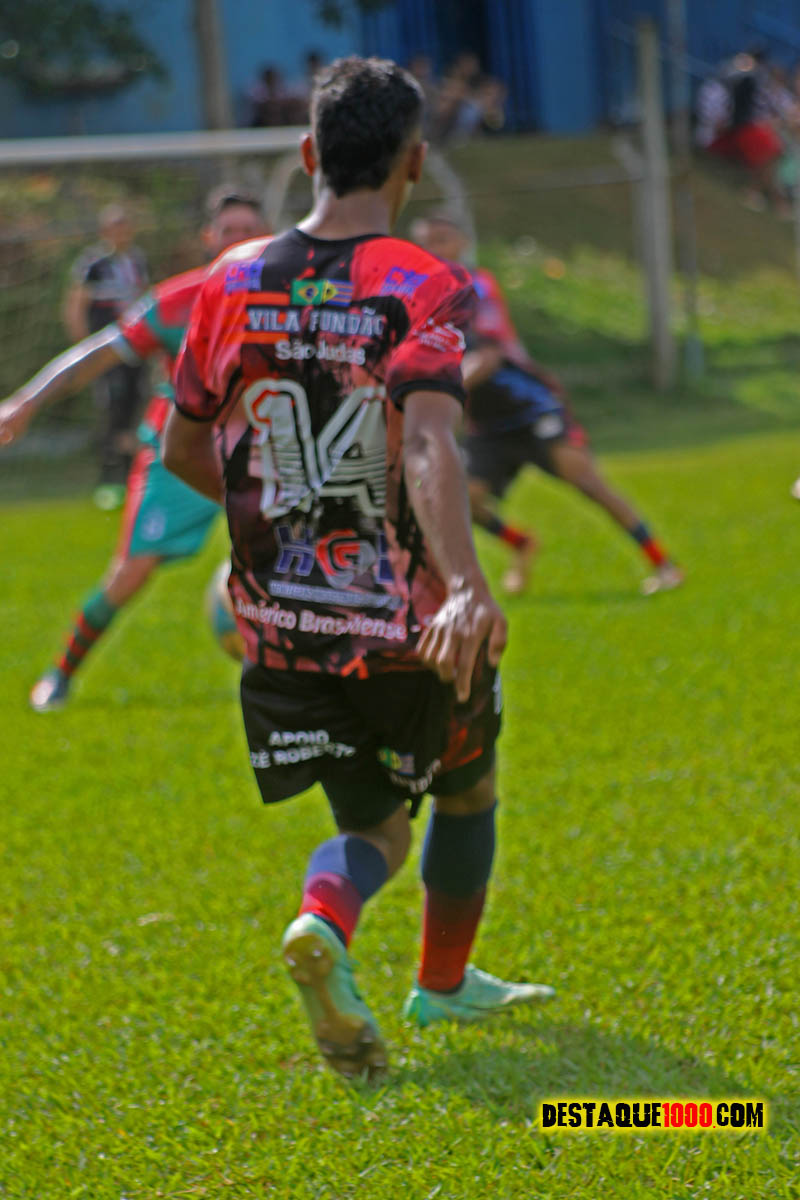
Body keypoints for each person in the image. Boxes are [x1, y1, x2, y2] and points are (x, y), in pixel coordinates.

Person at [165, 56, 553, 1082]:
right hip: (405, 623)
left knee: (372, 826)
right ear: (413, 163)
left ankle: (322, 922)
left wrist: (274, 525)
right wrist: (464, 585)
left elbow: (183, 448)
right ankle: (441, 982)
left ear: (307, 154)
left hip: (279, 623)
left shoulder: (230, 280)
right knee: (465, 791)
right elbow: (427, 442)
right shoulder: (419, 282)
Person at [0, 188, 267, 712]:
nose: (238, 241)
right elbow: (98, 352)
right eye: (228, 231)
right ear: (209, 238)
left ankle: (318, 676)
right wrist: (26, 402)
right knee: (131, 572)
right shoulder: (178, 301)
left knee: (304, 563)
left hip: (267, 453)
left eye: (249, 231)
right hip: (183, 455)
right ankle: (61, 673)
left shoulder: (299, 299)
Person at [411, 212, 684, 596]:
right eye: (426, 242)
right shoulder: (422, 303)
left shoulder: (478, 288)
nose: (435, 249)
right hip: (488, 425)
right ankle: (520, 544)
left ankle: (663, 565)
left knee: (586, 481)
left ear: (463, 243)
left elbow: (488, 357)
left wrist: (448, 389)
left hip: (530, 408)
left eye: (443, 239)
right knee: (462, 501)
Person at [64, 204, 150, 508]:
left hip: (135, 347)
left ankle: (129, 476)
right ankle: (109, 476)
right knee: (112, 404)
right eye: (115, 227)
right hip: (105, 349)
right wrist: (84, 347)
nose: (121, 232)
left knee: (134, 404)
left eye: (125, 226)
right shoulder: (93, 264)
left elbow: (145, 299)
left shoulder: (137, 260)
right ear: (105, 231)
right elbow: (76, 304)